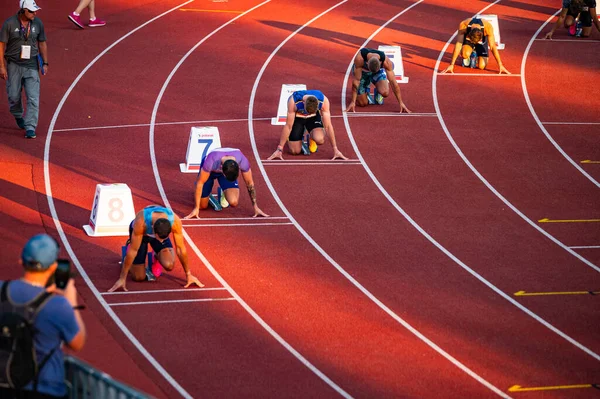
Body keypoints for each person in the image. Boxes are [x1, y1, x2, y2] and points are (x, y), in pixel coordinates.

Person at [0, 234, 86, 399]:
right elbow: (77, 342)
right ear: (53, 267)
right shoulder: (57, 305)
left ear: (21, 261)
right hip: (45, 388)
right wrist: (70, 300)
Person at [108, 205, 204, 292]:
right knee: (138, 277)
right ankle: (128, 250)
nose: (162, 241)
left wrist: (188, 274)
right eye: (160, 239)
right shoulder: (141, 222)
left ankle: (155, 255)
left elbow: (180, 249)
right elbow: (133, 251)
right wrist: (122, 278)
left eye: (164, 239)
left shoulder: (175, 221)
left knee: (169, 265)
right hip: (141, 235)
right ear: (154, 230)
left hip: (159, 232)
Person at [0, 0, 48, 139]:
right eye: (32, 11)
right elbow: (1, 45)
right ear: (23, 10)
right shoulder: (9, 24)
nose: (35, 13)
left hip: (32, 64)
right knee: (13, 96)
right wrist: (2, 67)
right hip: (13, 64)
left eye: (35, 10)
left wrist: (45, 63)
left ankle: (30, 126)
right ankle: (17, 114)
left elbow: (42, 42)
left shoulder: (38, 23)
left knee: (33, 97)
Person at [185, 148, 269, 218]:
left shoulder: (242, 161)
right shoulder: (210, 161)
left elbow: (249, 183)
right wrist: (196, 208)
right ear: (221, 169)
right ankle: (208, 195)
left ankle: (223, 192)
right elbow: (200, 183)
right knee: (202, 206)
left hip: (227, 169)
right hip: (209, 172)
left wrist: (255, 207)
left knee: (234, 202)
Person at [267, 90, 348, 160]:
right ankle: (294, 136)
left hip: (312, 118)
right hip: (298, 118)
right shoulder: (294, 101)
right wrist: (280, 149)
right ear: (303, 103)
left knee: (320, 139)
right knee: (295, 151)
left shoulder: (324, 101)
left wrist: (335, 149)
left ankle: (311, 137)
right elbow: (288, 126)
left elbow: (328, 126)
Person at [345, 48, 411, 113]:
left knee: (385, 93)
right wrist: (353, 102)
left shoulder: (386, 62)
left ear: (380, 62)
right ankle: (366, 90)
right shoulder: (359, 59)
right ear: (367, 63)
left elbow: (393, 83)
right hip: (362, 73)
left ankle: (377, 91)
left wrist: (401, 102)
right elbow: (356, 82)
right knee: (363, 103)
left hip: (376, 72)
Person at [440, 17, 510, 74]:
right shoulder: (463, 25)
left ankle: (476, 53)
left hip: (481, 42)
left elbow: (492, 46)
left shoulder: (488, 27)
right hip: (469, 40)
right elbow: (458, 44)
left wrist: (500, 65)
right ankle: (470, 52)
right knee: (464, 54)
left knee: (481, 66)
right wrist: (451, 64)